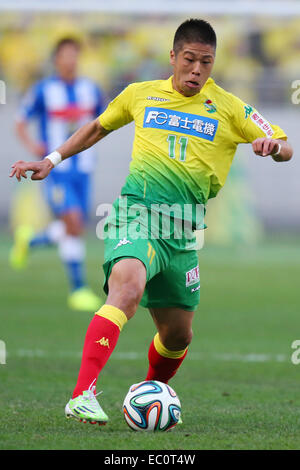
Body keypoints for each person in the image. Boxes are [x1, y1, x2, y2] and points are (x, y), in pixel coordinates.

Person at [10, 19, 293, 425]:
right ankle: (81, 394)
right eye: (190, 60)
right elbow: (95, 128)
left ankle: (147, 393)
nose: (197, 70)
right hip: (135, 213)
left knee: (178, 335)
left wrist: (273, 147)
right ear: (173, 57)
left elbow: (285, 146)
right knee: (127, 287)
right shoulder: (140, 95)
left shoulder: (230, 108)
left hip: (181, 232)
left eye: (206, 63)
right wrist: (50, 161)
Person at [10, 37, 106, 311]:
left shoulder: (91, 89)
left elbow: (103, 122)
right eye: (65, 55)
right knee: (73, 222)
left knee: (73, 225)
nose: (71, 60)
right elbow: (19, 121)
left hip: (84, 169)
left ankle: (30, 240)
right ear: (56, 59)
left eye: (75, 55)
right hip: (56, 170)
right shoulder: (43, 90)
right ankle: (77, 290)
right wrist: (34, 147)